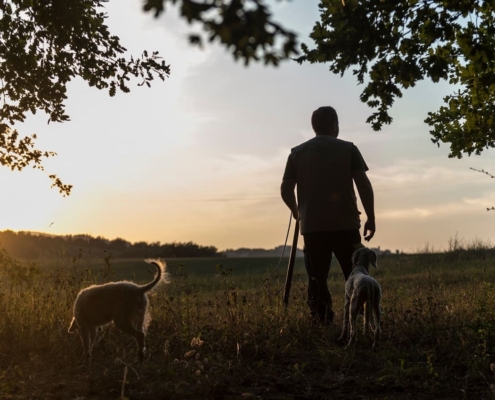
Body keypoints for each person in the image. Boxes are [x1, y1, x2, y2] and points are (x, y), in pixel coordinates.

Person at [280, 106, 375, 325]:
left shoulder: (297, 153)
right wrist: (371, 217)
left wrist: (297, 212)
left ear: (314, 127)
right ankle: (361, 318)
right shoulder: (349, 149)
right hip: (346, 223)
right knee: (355, 272)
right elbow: (363, 184)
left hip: (313, 226)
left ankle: (321, 320)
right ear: (335, 125)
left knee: (317, 277)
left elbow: (285, 190)